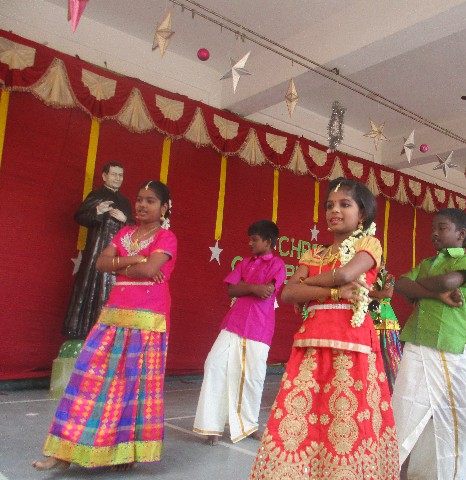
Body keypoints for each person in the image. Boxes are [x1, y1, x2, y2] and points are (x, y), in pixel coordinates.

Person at [249, 177, 399, 479]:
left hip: (351, 345)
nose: (335, 211)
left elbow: (345, 274)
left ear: (362, 213)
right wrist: (332, 291)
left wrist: (308, 284)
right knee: (301, 420)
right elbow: (288, 293)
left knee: (345, 424)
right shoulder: (314, 254)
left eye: (345, 204)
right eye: (330, 205)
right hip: (311, 345)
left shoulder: (368, 245)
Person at [33, 180, 177, 471]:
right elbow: (101, 263)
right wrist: (137, 259)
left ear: (163, 208)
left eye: (150, 200)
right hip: (113, 315)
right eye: (139, 199)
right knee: (87, 381)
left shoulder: (167, 237)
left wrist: (122, 264)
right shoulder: (124, 232)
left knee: (133, 387)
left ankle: (124, 453)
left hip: (147, 320)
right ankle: (63, 452)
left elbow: (151, 269)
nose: (141, 205)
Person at [393, 208, 466, 480]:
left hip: (451, 346)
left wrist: (421, 288)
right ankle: (390, 471)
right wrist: (438, 295)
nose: (434, 233)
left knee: (461, 415)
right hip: (418, 343)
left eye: (441, 228)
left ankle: (448, 474)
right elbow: (400, 285)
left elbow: (446, 280)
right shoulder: (426, 262)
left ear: (461, 234)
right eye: (433, 228)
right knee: (404, 412)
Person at [193, 220, 286, 445]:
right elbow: (232, 290)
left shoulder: (278, 264)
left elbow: (268, 291)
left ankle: (250, 425)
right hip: (234, 323)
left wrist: (248, 287)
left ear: (268, 242)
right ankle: (212, 425)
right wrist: (253, 287)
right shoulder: (244, 263)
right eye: (250, 239)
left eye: (255, 239)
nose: (250, 243)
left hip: (260, 326)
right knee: (214, 365)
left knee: (253, 377)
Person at [62, 161, 133, 339]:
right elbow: (80, 217)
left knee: (112, 291)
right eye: (114, 174)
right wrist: (97, 211)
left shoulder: (125, 201)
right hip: (96, 251)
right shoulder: (96, 195)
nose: (118, 178)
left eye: (121, 175)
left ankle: (108, 336)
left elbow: (133, 230)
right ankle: (82, 332)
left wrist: (125, 219)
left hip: (117, 255)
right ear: (104, 176)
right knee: (90, 287)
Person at [368, 259, 403, 392]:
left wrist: (365, 293)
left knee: (390, 359)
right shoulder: (363, 277)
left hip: (386, 322)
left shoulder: (388, 277)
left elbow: (387, 294)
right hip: (368, 320)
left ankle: (394, 392)